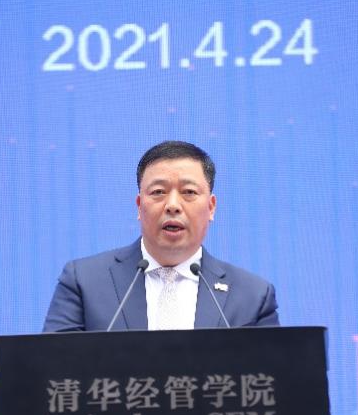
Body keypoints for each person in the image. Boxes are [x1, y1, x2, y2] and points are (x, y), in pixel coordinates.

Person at [43, 140, 279, 332]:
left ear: (211, 207)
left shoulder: (253, 296)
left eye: (189, 192)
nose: (173, 205)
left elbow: (270, 374)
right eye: (158, 192)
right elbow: (53, 368)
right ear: (139, 206)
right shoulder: (84, 282)